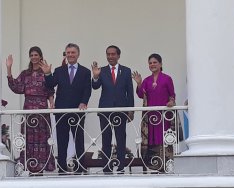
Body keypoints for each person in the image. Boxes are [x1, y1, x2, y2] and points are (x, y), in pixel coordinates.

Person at [40, 43, 91, 174]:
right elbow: (51, 84)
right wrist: (47, 74)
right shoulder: (59, 70)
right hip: (61, 111)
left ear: (78, 54)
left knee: (79, 139)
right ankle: (62, 168)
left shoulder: (85, 71)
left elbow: (87, 89)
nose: (70, 55)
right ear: (65, 54)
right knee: (62, 140)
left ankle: (80, 168)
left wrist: (83, 102)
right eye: (68, 53)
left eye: (73, 52)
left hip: (78, 111)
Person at [5, 46, 56, 175]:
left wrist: (51, 103)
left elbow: (50, 89)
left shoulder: (45, 71)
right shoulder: (25, 73)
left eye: (36, 55)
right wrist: (9, 69)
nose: (34, 57)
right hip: (28, 110)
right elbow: (15, 87)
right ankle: (30, 167)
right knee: (28, 139)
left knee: (42, 140)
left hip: (42, 110)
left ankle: (41, 169)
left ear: (40, 56)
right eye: (31, 55)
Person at [91, 45, 134, 174]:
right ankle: (107, 168)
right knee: (106, 139)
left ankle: (121, 167)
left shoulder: (126, 71)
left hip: (121, 110)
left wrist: (131, 111)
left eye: (113, 54)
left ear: (118, 55)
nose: (110, 56)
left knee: (121, 138)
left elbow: (129, 93)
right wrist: (96, 76)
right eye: (108, 54)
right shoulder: (101, 70)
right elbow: (95, 86)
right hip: (105, 110)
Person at [132, 53, 176, 172]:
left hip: (163, 117)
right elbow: (141, 94)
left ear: (161, 64)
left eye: (155, 62)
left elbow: (172, 95)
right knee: (152, 140)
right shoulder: (146, 80)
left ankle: (166, 166)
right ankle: (155, 166)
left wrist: (171, 101)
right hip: (151, 117)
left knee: (164, 140)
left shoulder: (167, 78)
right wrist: (139, 83)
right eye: (150, 63)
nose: (152, 65)